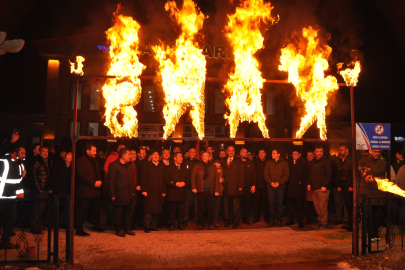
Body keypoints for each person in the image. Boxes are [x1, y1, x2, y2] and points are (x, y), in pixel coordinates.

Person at [358, 149, 387, 241]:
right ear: (371, 151)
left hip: (377, 192)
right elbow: (358, 168)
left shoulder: (383, 162)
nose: (377, 153)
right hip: (365, 192)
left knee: (377, 214)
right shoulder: (364, 159)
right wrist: (364, 171)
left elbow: (379, 172)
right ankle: (368, 233)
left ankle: (374, 233)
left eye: (379, 151)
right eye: (375, 151)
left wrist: (367, 170)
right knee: (367, 214)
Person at [75, 143, 103, 236]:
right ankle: (79, 229)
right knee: (82, 210)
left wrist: (99, 180)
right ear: (88, 151)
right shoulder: (80, 161)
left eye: (96, 151)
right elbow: (81, 175)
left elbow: (97, 172)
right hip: (85, 190)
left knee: (96, 209)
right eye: (94, 151)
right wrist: (93, 183)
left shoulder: (94, 161)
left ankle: (96, 226)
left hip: (95, 190)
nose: (96, 152)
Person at [0, 146, 25, 249]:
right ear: (14, 153)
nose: (24, 156)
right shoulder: (4, 161)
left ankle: (5, 241)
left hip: (10, 197)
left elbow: (18, 181)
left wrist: (20, 194)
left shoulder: (18, 164)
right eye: (22, 153)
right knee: (8, 218)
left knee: (11, 218)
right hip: (2, 196)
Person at [108, 148, 136, 237]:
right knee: (118, 213)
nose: (130, 156)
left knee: (128, 212)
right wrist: (112, 194)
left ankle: (127, 228)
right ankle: (118, 229)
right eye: (129, 154)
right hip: (119, 193)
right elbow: (110, 181)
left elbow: (131, 179)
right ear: (123, 156)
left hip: (128, 193)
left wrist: (132, 191)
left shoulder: (129, 165)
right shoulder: (114, 165)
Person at [307, 145, 332, 230]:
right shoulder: (313, 162)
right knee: (317, 207)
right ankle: (320, 222)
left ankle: (324, 224)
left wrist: (324, 185)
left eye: (321, 151)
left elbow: (328, 174)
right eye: (318, 151)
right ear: (315, 152)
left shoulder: (326, 161)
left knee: (323, 207)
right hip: (314, 188)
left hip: (322, 189)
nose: (319, 153)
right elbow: (310, 173)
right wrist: (309, 183)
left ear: (323, 152)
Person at [192, 152, 219, 230]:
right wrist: (194, 187)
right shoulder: (197, 165)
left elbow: (216, 179)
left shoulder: (213, 167)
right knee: (200, 208)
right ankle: (200, 223)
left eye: (206, 156)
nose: (204, 157)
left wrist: (216, 190)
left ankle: (210, 223)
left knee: (210, 208)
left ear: (209, 157)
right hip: (200, 190)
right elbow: (193, 177)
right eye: (203, 156)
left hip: (210, 191)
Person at [141, 151, 166, 233]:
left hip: (159, 191)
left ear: (159, 157)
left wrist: (163, 190)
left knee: (157, 209)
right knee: (148, 209)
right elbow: (143, 178)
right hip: (149, 191)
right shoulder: (147, 165)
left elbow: (164, 179)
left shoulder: (162, 166)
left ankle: (153, 226)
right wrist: (144, 190)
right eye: (154, 154)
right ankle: (147, 226)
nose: (155, 156)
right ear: (151, 156)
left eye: (157, 154)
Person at [264, 148, 290, 227]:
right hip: (270, 187)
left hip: (280, 187)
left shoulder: (284, 163)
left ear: (278, 154)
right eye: (272, 153)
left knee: (280, 205)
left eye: (274, 153)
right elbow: (266, 174)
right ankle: (271, 220)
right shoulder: (268, 163)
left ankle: (279, 220)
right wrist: (271, 182)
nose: (272, 155)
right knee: (271, 204)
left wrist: (279, 183)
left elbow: (286, 175)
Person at [164, 152, 189, 230]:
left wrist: (184, 183)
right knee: (172, 209)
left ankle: (180, 223)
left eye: (182, 157)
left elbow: (188, 178)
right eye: (180, 157)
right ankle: (171, 223)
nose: (181, 158)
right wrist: (175, 183)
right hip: (172, 192)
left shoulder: (184, 167)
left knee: (181, 209)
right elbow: (166, 179)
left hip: (182, 192)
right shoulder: (169, 167)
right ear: (175, 158)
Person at [30, 146, 52, 234]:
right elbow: (34, 175)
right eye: (44, 151)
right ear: (40, 152)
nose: (46, 153)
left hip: (45, 189)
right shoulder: (37, 161)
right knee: (37, 209)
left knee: (41, 209)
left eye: (47, 151)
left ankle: (38, 225)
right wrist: (39, 188)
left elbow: (49, 176)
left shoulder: (46, 162)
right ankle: (34, 227)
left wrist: (49, 187)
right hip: (40, 190)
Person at [221, 145, 244, 228]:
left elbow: (241, 174)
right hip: (226, 186)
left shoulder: (238, 160)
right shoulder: (223, 160)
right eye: (230, 150)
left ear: (234, 151)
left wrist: (241, 185)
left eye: (233, 150)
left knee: (236, 205)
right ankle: (227, 219)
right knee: (226, 205)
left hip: (235, 186)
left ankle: (236, 220)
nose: (231, 152)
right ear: (227, 151)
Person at [285, 149, 308, 228]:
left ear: (299, 154)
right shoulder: (289, 162)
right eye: (293, 154)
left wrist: (301, 182)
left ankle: (300, 222)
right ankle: (291, 220)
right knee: (290, 206)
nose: (294, 155)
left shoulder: (303, 163)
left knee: (300, 206)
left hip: (299, 188)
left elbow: (306, 174)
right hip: (290, 187)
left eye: (296, 154)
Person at [51, 152, 72, 228]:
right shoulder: (59, 165)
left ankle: (64, 223)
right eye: (66, 158)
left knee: (66, 207)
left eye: (69, 158)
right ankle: (56, 223)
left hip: (67, 190)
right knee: (57, 206)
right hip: (59, 189)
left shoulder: (72, 168)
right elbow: (54, 177)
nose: (67, 159)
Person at [336, 145, 353, 232]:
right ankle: (349, 223)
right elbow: (340, 173)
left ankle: (352, 224)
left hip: (348, 184)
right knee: (346, 204)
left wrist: (351, 185)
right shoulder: (341, 160)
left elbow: (352, 173)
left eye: (342, 150)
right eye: (340, 150)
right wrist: (339, 185)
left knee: (349, 205)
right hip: (343, 184)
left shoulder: (350, 160)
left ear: (347, 150)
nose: (340, 151)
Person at [183, 148, 199, 226]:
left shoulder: (199, 162)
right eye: (191, 152)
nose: (192, 153)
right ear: (188, 153)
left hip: (196, 187)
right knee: (187, 204)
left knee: (196, 204)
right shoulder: (184, 162)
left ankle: (197, 218)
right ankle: (185, 219)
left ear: (196, 153)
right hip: (187, 186)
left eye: (194, 152)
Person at [240, 148, 256, 225]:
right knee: (238, 203)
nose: (245, 154)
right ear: (240, 153)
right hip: (238, 187)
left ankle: (245, 218)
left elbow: (253, 175)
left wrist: (253, 185)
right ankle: (237, 218)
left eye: (246, 152)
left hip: (247, 186)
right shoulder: (237, 162)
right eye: (243, 152)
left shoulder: (251, 162)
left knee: (247, 203)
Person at [253, 149, 269, 224]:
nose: (261, 154)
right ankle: (256, 218)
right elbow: (253, 174)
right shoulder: (255, 162)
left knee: (266, 203)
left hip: (266, 186)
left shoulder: (268, 162)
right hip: (257, 186)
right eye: (260, 153)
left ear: (265, 154)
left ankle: (266, 218)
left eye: (263, 153)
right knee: (256, 204)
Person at [304, 151, 316, 224]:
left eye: (311, 155)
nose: (309, 157)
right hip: (307, 185)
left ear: (314, 155)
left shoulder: (315, 164)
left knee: (316, 203)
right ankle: (310, 218)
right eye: (308, 156)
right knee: (309, 203)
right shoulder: (305, 164)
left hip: (314, 185)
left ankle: (315, 218)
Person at [212, 157, 224, 228]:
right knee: (211, 207)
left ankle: (214, 221)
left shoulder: (222, 170)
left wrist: (223, 179)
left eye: (219, 163)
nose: (218, 164)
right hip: (212, 191)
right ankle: (210, 221)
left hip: (219, 190)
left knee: (217, 207)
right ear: (213, 163)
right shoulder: (211, 169)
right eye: (217, 163)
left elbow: (226, 178)